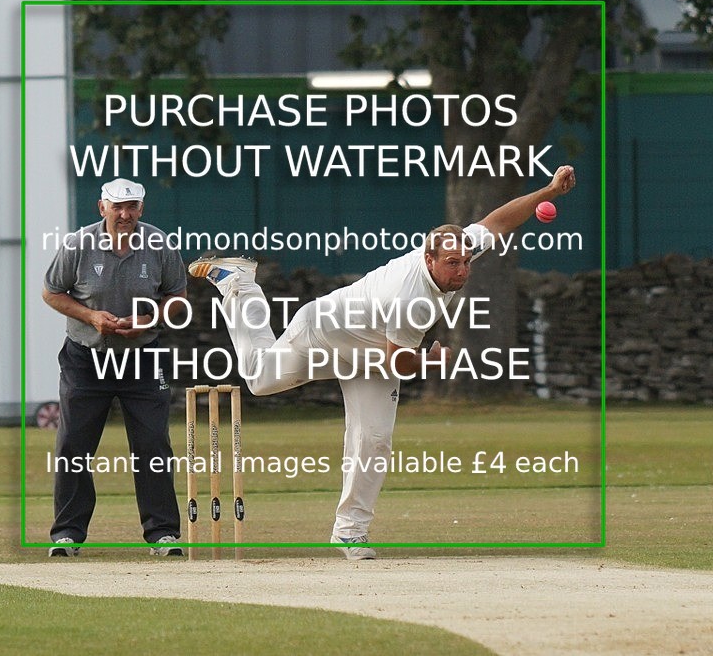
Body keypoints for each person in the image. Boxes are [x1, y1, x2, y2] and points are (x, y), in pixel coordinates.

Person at [188, 165, 577, 560]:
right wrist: (431, 362)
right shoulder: (411, 299)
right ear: (429, 258)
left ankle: (350, 532)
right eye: (452, 264)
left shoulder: (455, 247)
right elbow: (401, 363)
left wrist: (549, 191)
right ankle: (240, 284)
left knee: (374, 439)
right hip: (322, 334)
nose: (461, 270)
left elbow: (498, 222)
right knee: (258, 380)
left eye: (465, 261)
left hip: (371, 355)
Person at [42, 178, 187, 557]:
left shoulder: (160, 244)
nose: (125, 214)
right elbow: (51, 292)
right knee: (73, 444)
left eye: (132, 207)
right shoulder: (77, 244)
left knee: (153, 443)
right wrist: (92, 317)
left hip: (143, 356)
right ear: (101, 207)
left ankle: (162, 534)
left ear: (141, 208)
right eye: (117, 207)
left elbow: (177, 296)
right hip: (85, 357)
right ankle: (67, 534)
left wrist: (149, 319)